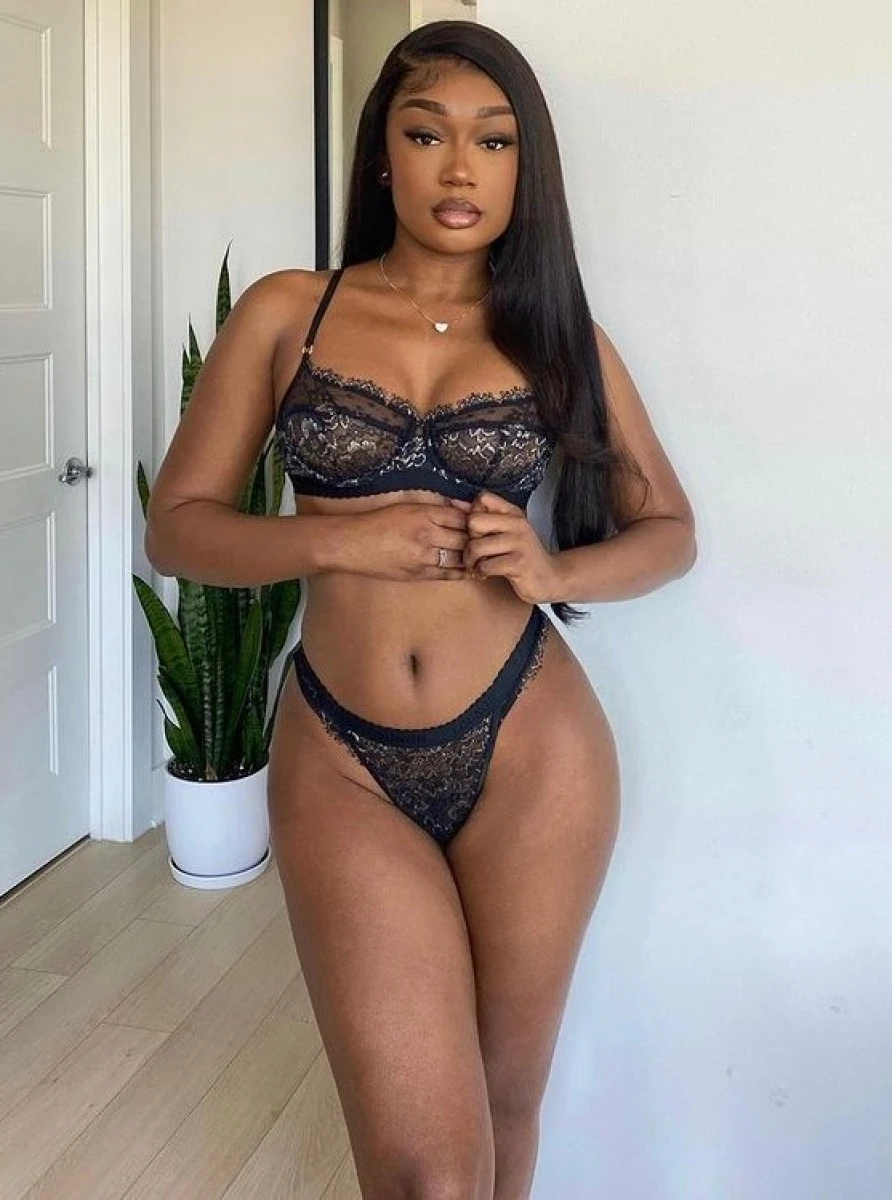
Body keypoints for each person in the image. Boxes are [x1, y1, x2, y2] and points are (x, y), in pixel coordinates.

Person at [146, 19, 696, 1200]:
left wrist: (549, 573)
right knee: (427, 1170)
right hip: (342, 755)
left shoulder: (561, 341)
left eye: (493, 141)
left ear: (524, 168)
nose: (459, 168)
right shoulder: (289, 312)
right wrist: (339, 538)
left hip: (531, 749)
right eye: (426, 133)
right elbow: (177, 528)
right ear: (382, 156)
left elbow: (669, 532)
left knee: (505, 1101)